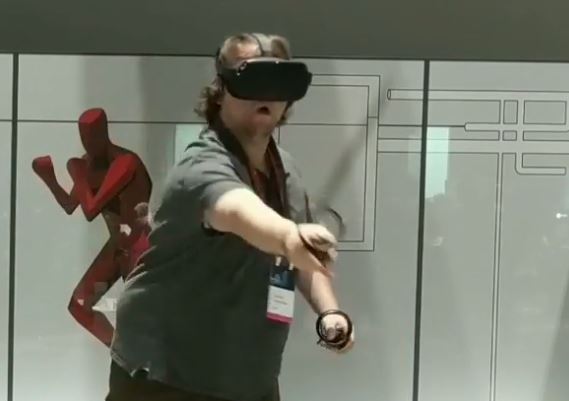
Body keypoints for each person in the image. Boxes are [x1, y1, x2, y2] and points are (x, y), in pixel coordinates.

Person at [105, 32, 355, 401]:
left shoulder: (284, 169)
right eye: (251, 80)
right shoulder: (201, 165)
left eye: (279, 82)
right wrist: (289, 237)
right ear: (221, 91)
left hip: (248, 377)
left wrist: (330, 313)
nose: (265, 95)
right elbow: (236, 210)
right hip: (166, 376)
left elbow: (303, 260)